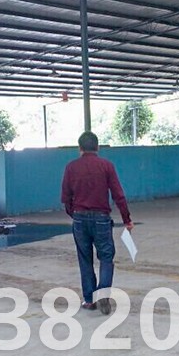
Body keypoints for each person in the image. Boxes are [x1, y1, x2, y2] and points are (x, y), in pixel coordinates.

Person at [61, 131, 133, 315]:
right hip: (101, 219)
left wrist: (74, 214)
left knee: (85, 260)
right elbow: (118, 195)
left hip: (79, 218)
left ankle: (89, 300)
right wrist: (126, 219)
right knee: (106, 258)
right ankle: (103, 293)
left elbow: (65, 197)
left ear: (79, 148)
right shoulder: (106, 166)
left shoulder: (71, 167)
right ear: (98, 147)